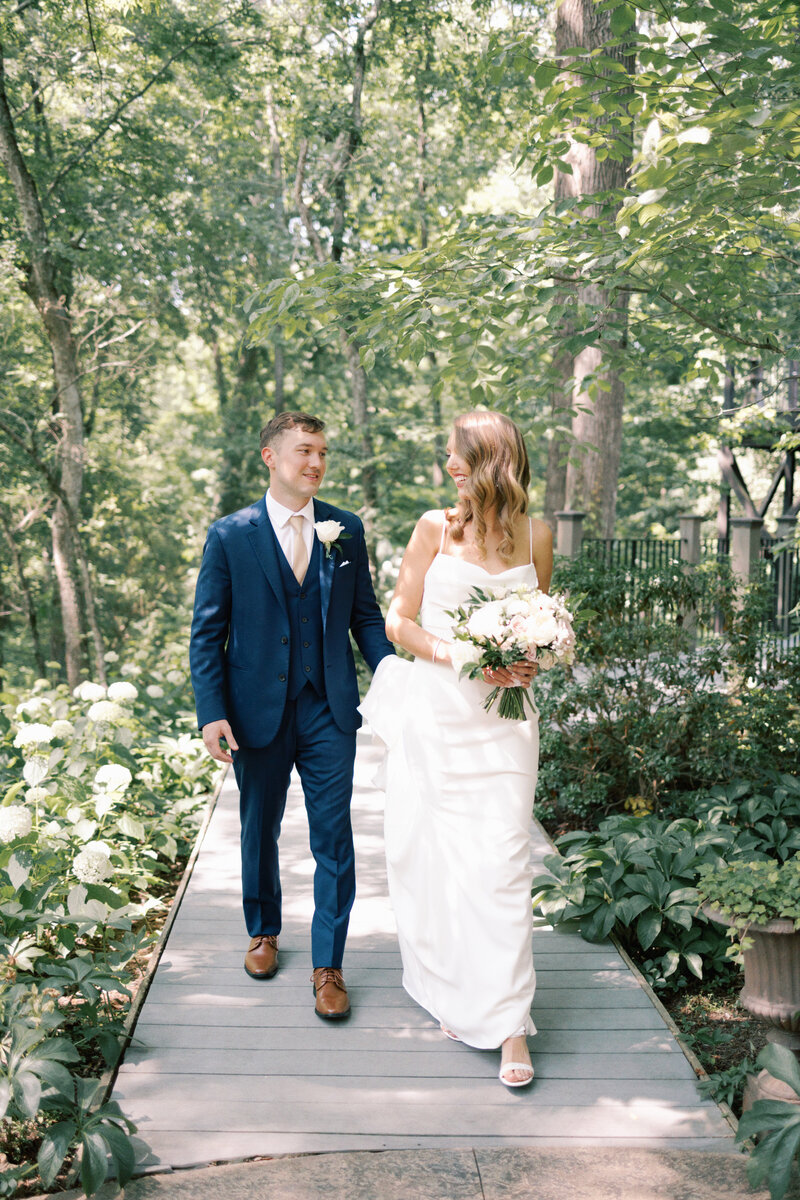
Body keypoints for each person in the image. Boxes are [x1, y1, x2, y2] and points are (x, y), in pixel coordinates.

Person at [359, 410, 553, 1086]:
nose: (449, 467)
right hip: (439, 717)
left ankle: (507, 1029)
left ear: (493, 460)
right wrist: (463, 655)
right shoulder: (433, 529)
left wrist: (529, 660)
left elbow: (538, 626)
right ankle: (450, 989)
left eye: (459, 456)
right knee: (439, 863)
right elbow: (397, 623)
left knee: (502, 867)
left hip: (505, 725)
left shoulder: (537, 535)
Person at [190, 411, 394, 1020]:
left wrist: (391, 675)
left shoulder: (345, 529)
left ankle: (328, 966)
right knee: (260, 826)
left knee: (335, 838)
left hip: (330, 708)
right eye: (304, 450)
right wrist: (211, 712)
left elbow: (365, 618)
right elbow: (208, 634)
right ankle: (263, 929)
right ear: (270, 457)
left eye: (323, 453)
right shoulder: (231, 534)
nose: (315, 462)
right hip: (256, 710)